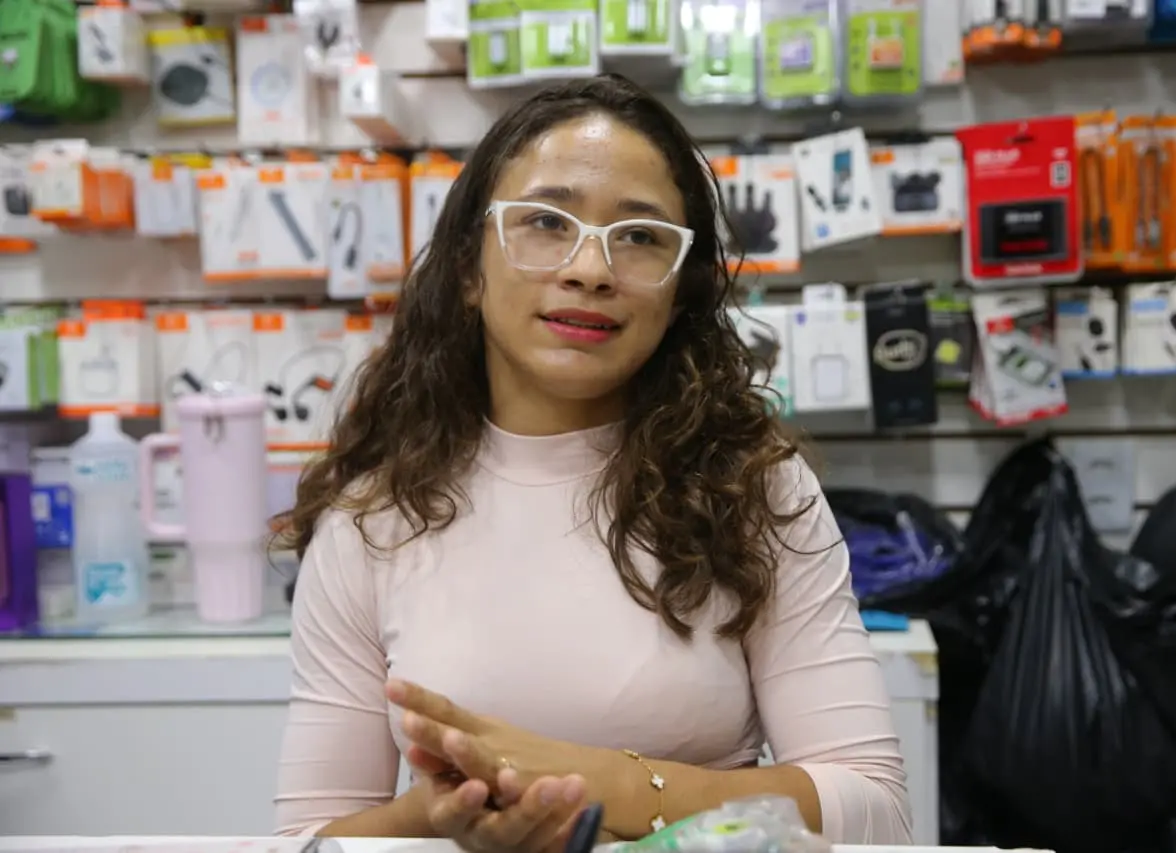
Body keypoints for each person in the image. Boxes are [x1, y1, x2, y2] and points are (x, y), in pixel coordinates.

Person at [273, 73, 911, 851]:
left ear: (680, 293)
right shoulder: (372, 520)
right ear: (469, 267)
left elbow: (875, 808)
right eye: (546, 221)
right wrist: (439, 813)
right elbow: (305, 840)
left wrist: (601, 784)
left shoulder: (754, 487)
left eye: (640, 236)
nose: (590, 269)